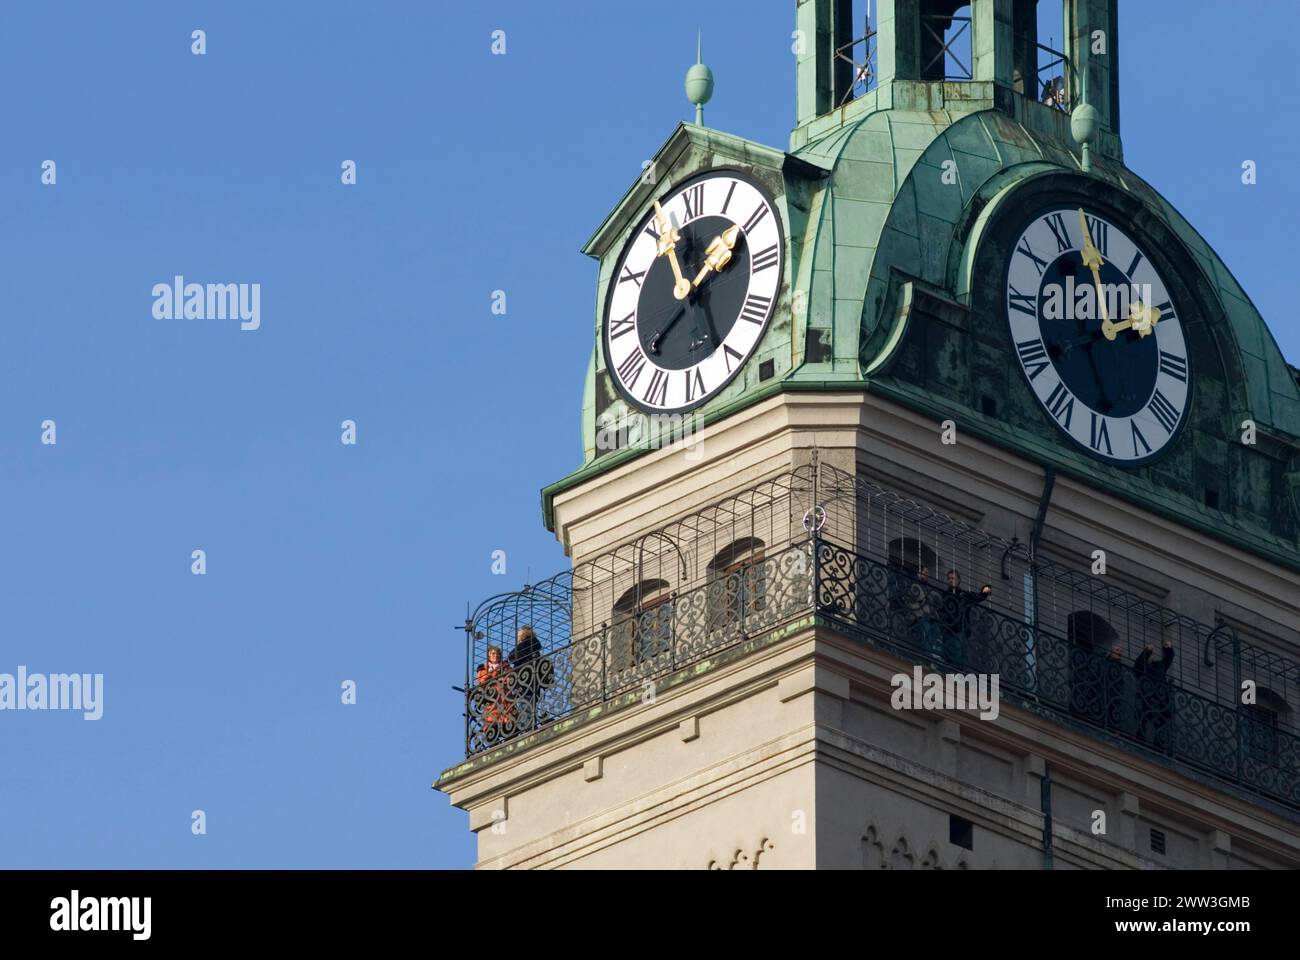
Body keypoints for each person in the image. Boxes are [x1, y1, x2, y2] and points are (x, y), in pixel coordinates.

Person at [939, 569, 992, 665]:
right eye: (949, 578)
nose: (951, 580)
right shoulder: (944, 595)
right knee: (946, 655)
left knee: (958, 656)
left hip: (960, 630)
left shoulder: (963, 595)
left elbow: (977, 597)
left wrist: (985, 589)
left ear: (958, 580)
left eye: (953, 578)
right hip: (947, 629)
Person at [1134, 639, 1176, 752]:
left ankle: (1159, 746)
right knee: (1144, 718)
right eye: (1150, 655)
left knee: (1160, 722)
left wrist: (1168, 648)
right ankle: (1139, 739)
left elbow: (1168, 660)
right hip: (1147, 696)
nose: (1152, 656)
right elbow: (1137, 664)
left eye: (1151, 655)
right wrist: (1146, 651)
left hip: (1161, 697)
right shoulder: (1142, 667)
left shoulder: (1159, 665)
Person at [476, 645, 515, 741]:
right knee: (492, 722)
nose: (496, 656)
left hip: (505, 698)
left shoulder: (506, 666)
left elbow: (510, 679)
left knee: (508, 722)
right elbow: (482, 682)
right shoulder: (483, 669)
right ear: (489, 655)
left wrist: (493, 676)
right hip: (492, 699)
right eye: (493, 653)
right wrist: (493, 675)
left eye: (498, 654)